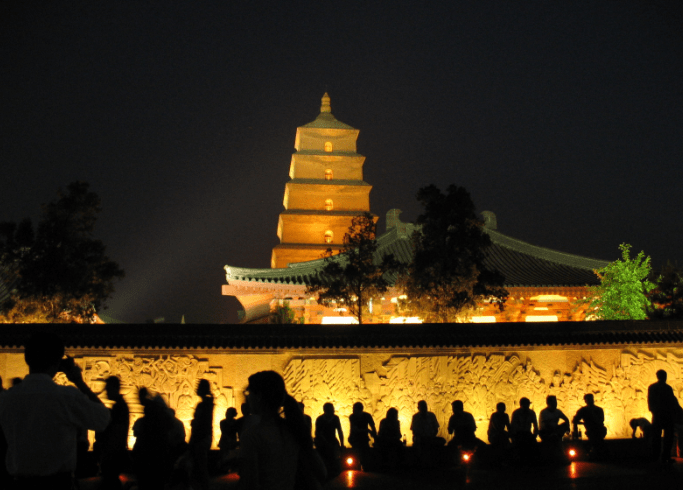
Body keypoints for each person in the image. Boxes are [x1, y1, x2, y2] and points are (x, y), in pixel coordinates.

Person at [0, 332, 110, 490]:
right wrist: (78, 381)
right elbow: (103, 419)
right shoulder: (67, 397)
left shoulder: (6, 399)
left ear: (26, 359)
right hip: (59, 484)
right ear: (58, 362)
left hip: (20, 483)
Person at [240, 371, 325, 490]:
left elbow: (249, 483)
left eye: (248, 392)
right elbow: (321, 471)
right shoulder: (294, 429)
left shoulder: (252, 435)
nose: (247, 397)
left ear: (258, 396)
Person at [95, 376, 130, 490]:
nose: (106, 392)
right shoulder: (120, 406)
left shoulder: (119, 407)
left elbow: (116, 433)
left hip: (113, 455)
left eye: (108, 388)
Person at [648, 369, 679, 463]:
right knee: (667, 437)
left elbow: (650, 402)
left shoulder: (652, 387)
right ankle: (665, 456)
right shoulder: (667, 388)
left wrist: (653, 410)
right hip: (666, 415)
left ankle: (656, 457)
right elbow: (672, 402)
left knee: (657, 437)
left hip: (658, 414)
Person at [189, 379, 214, 490]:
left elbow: (199, 423)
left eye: (198, 386)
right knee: (200, 467)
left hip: (200, 438)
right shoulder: (208, 403)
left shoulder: (204, 405)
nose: (196, 388)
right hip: (204, 438)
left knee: (200, 467)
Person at [315, 402, 344, 476]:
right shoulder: (320, 419)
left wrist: (342, 444)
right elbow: (318, 433)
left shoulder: (335, 418)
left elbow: (339, 431)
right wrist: (326, 443)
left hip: (332, 440)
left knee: (334, 459)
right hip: (323, 442)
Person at [348, 402, 377, 470]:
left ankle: (363, 466)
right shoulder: (353, 417)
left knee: (364, 453)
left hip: (363, 438)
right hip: (355, 438)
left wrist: (375, 437)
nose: (353, 411)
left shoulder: (366, 416)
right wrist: (368, 431)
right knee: (360, 452)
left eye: (354, 409)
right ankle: (359, 466)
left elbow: (373, 427)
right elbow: (355, 430)